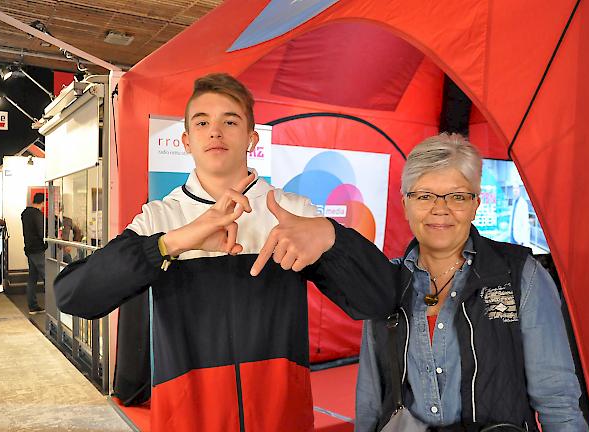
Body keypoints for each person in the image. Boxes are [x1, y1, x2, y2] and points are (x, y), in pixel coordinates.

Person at [54, 73, 394, 431]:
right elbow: (73, 295)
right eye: (202, 122)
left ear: (252, 138)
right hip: (188, 420)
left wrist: (330, 235)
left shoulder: (294, 212)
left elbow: (379, 300)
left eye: (230, 121)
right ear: (186, 141)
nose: (215, 131)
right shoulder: (161, 218)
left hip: (281, 418)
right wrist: (173, 243)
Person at [355, 133, 588, 431]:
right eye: (425, 195)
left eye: (457, 196)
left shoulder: (520, 276)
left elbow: (558, 400)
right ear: (405, 204)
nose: (441, 208)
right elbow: (370, 403)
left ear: (476, 203)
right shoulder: (385, 281)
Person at [21, 193, 47, 314]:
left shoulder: (25, 214)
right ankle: (54, 307)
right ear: (42, 202)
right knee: (48, 276)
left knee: (32, 278)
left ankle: (33, 306)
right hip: (38, 249)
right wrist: (46, 243)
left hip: (29, 249)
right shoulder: (37, 214)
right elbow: (41, 233)